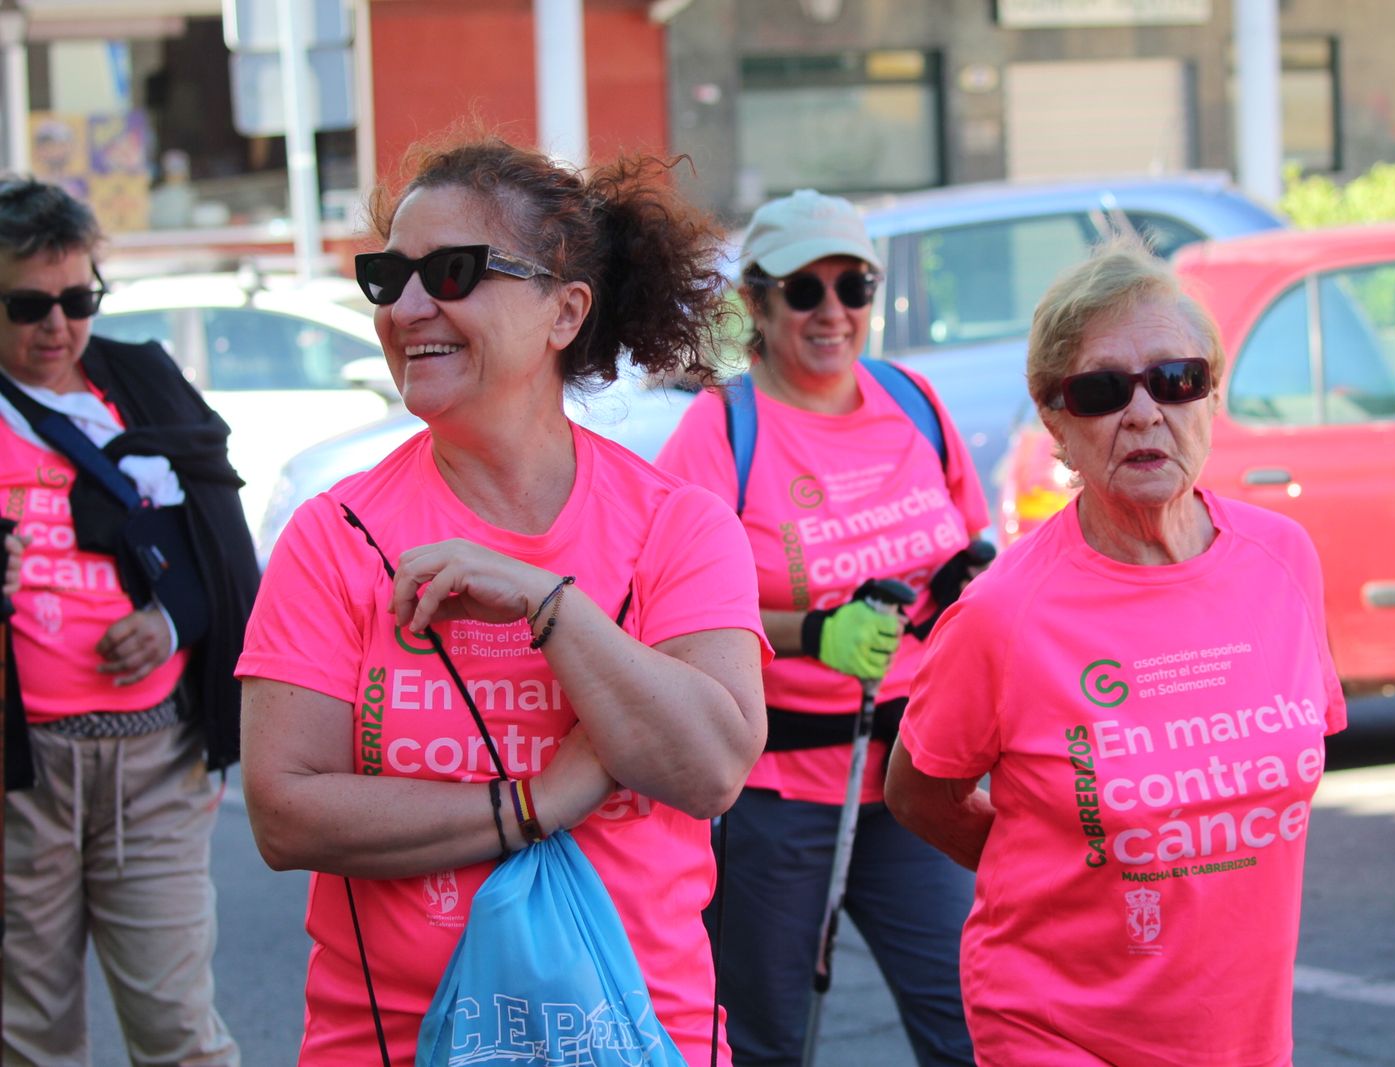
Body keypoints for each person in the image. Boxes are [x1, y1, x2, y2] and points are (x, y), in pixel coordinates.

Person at [235, 137, 769, 1066]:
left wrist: (551, 607)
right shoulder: (336, 533)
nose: (406, 308)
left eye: (449, 271)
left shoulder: (676, 525)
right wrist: (532, 801)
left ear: (566, 311)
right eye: (387, 275)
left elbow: (711, 767)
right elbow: (286, 813)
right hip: (394, 1043)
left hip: (640, 1033)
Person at [884, 237, 1347, 1066]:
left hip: (1238, 1033)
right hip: (1057, 1025)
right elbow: (919, 791)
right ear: (1056, 421)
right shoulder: (1001, 614)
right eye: (1102, 390)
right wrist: (1065, 866)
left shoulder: (1284, 560)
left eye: (1176, 379)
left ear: (1211, 393)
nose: (1144, 413)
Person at [654, 189, 988, 1067]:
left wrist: (968, 587)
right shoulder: (720, 433)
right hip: (781, 794)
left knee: (972, 1023)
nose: (834, 311)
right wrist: (813, 631)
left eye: (855, 285)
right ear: (757, 304)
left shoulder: (912, 401)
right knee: (766, 1041)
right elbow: (663, 618)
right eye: (805, 290)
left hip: (919, 770)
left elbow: (968, 555)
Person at [0, 175, 255, 1065]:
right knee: (27, 1039)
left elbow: (218, 542)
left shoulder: (140, 377)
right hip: (19, 777)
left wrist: (173, 621)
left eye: (77, 299)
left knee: (179, 1033)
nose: (57, 327)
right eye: (28, 304)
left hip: (155, 760)